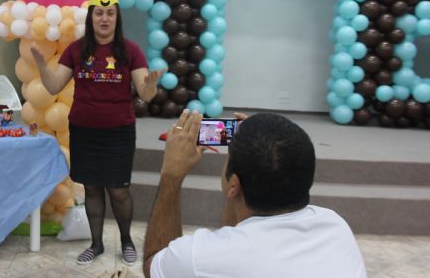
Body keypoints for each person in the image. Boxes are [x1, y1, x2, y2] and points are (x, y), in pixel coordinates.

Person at [143, 110, 367, 278]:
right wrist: (259, 141)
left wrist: (171, 175)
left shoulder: (200, 259)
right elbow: (237, 233)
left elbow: (155, 263)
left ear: (234, 184)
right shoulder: (336, 227)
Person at [31, 0, 165, 267]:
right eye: (99, 13)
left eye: (110, 13)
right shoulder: (76, 49)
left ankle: (126, 241)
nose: (104, 18)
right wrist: (43, 67)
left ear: (117, 18)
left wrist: (150, 85)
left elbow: (145, 94)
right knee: (91, 189)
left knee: (118, 191)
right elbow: (54, 87)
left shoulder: (130, 50)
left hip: (118, 132)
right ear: (91, 18)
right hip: (84, 130)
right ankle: (96, 244)